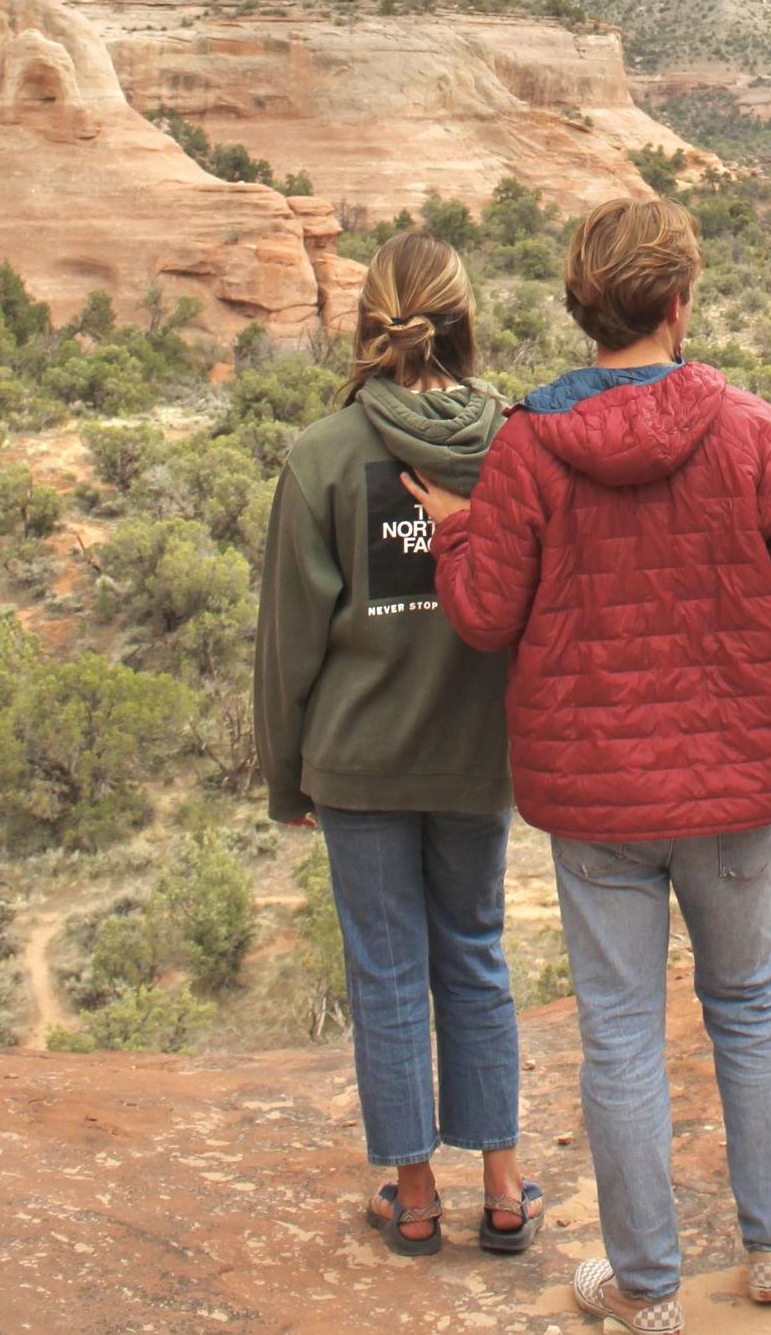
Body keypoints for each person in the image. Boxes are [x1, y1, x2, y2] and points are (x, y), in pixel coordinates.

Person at [404, 195, 771, 1335]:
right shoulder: (755, 432)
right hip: (734, 787)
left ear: (581, 309)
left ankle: (645, 1287)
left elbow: (485, 616)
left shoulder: (528, 448)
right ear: (678, 303)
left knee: (620, 1032)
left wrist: (456, 527)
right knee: (748, 1004)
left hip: (598, 802)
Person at [254, 230, 544, 1258]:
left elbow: (291, 636)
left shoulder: (324, 455)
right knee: (474, 950)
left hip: (360, 758)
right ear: (462, 319)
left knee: (385, 972)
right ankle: (502, 1189)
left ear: (367, 320)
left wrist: (286, 775)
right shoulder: (514, 441)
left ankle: (414, 1201)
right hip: (474, 751)